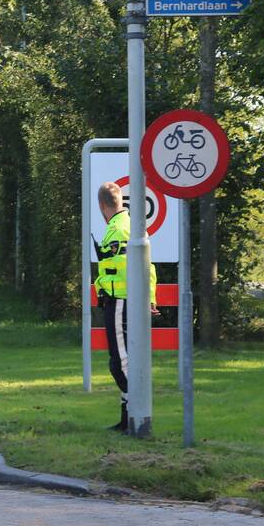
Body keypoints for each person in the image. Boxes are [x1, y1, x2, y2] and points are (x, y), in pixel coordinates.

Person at [94, 182, 157, 433]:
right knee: (122, 360)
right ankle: (126, 420)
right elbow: (148, 266)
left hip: (120, 299)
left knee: (120, 363)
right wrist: (150, 297)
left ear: (102, 205)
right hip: (123, 298)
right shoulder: (126, 224)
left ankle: (139, 412)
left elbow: (128, 266)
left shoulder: (118, 229)